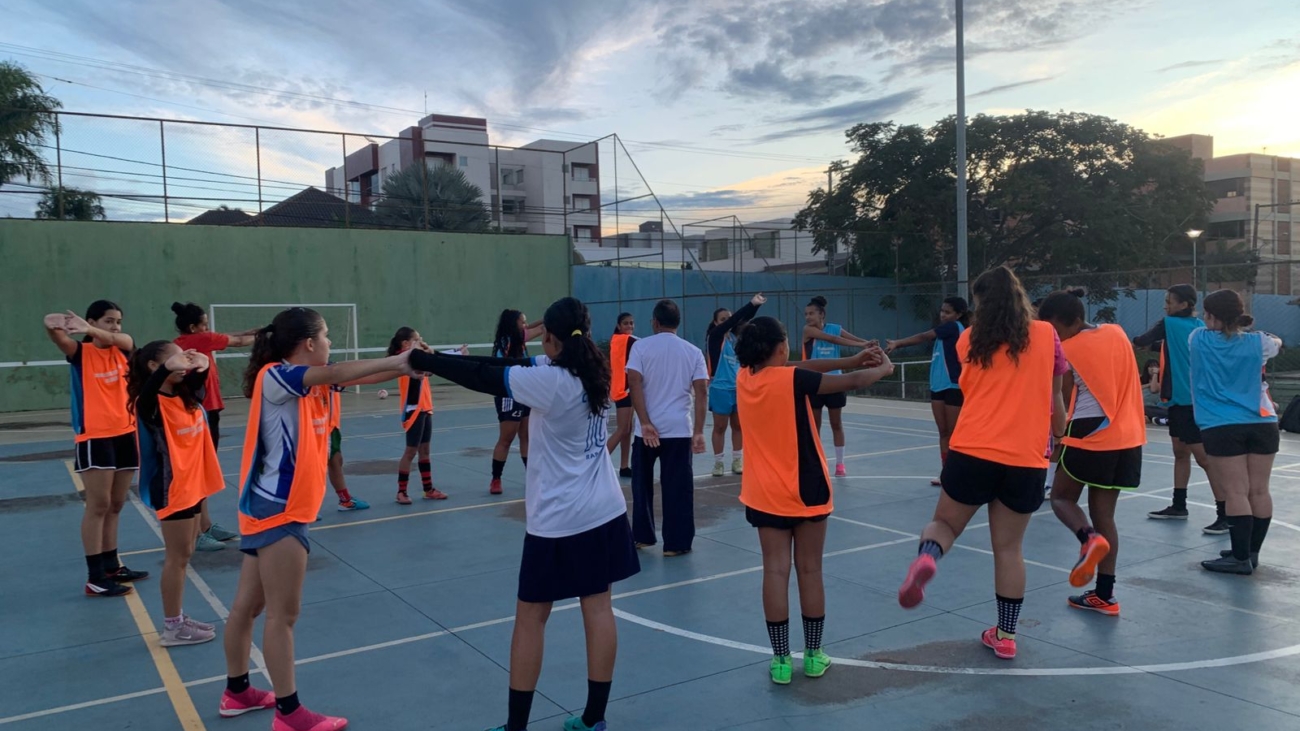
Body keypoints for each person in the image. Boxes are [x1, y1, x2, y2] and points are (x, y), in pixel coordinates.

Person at [404, 297, 638, 731]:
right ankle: (594, 719)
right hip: (603, 509)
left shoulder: (551, 380)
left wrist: (420, 359)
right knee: (599, 608)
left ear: (549, 338)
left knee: (531, 617)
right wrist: (433, 359)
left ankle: (516, 727)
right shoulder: (594, 369)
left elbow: (483, 376)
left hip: (559, 520)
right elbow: (500, 363)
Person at [220, 307, 414, 729]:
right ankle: (289, 714)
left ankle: (237, 691)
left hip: (267, 507)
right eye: (325, 337)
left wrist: (407, 369)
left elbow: (356, 376)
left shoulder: (311, 384)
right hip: (279, 510)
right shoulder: (277, 376)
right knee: (281, 616)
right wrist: (400, 360)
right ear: (308, 343)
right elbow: (336, 371)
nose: (329, 345)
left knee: (247, 607)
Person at [897, 266, 1068, 661]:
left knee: (944, 524)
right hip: (1025, 457)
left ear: (979, 304)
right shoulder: (1046, 335)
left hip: (973, 448)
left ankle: (928, 557)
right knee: (1009, 548)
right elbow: (1055, 395)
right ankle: (1006, 635)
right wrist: (1059, 435)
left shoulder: (970, 341)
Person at [735, 317, 894, 684]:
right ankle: (812, 655)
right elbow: (849, 382)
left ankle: (779, 660)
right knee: (810, 570)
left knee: (774, 571)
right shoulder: (791, 380)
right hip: (805, 488)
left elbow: (803, 367)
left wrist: (853, 360)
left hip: (763, 492)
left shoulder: (748, 377)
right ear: (779, 348)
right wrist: (881, 368)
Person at [1038, 290, 1146, 616]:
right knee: (1105, 516)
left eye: (1054, 328)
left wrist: (1057, 440)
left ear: (1071, 322)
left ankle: (1087, 539)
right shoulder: (1116, 332)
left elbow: (1063, 401)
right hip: (1127, 435)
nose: (1053, 336)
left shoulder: (1065, 350)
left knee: (1060, 498)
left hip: (1090, 432)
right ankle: (1104, 594)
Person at [44, 302, 149, 598]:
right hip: (96, 438)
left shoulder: (123, 349)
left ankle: (112, 565)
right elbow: (59, 338)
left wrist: (93, 330)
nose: (115, 327)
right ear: (90, 321)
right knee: (98, 505)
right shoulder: (81, 353)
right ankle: (94, 577)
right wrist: (51, 324)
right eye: (108, 321)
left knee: (117, 504)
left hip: (126, 434)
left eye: (118, 321)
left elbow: (126, 340)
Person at [128, 342, 224, 646]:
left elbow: (199, 381)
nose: (183, 361)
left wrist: (202, 363)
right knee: (177, 557)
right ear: (156, 367)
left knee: (185, 554)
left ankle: (178, 618)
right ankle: (172, 627)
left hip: (193, 485)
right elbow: (147, 395)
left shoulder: (186, 396)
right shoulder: (151, 404)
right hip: (173, 488)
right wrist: (171, 367)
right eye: (175, 357)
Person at [1192, 291, 1283, 575]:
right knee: (1259, 490)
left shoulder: (1197, 340)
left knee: (1235, 491)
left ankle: (1240, 557)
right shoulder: (1261, 343)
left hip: (1221, 424)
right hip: (1263, 421)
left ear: (1211, 316)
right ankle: (1250, 552)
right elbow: (1276, 342)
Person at [1134, 285, 1226, 533]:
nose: (1165, 305)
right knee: (1180, 452)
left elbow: (1142, 340)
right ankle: (1179, 505)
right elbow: (1168, 347)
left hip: (1188, 402)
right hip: (1182, 401)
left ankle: (1226, 512)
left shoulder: (1169, 323)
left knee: (1205, 459)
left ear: (1184, 304)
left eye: (1169, 301)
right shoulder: (1198, 327)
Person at [172, 302, 257, 551]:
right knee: (198, 473)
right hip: (203, 412)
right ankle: (196, 533)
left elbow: (236, 335)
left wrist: (260, 331)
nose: (208, 329)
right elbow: (239, 342)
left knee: (203, 472)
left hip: (202, 411)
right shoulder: (201, 340)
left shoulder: (186, 340)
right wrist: (267, 339)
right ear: (193, 327)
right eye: (205, 324)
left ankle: (205, 525)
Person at [628, 299, 709, 556]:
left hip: (646, 432)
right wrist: (698, 431)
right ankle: (676, 543)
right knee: (678, 489)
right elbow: (701, 392)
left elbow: (634, 384)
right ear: (678, 322)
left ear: (654, 321)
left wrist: (645, 422)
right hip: (679, 430)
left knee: (641, 485)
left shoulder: (640, 347)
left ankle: (642, 536)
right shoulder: (693, 351)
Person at [886, 296, 970, 486]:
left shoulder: (953, 327)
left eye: (947, 312)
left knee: (954, 433)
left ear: (958, 314)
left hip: (953, 386)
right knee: (943, 432)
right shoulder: (945, 333)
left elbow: (924, 336)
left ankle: (960, 471)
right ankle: (946, 472)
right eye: (942, 311)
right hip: (938, 386)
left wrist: (898, 343)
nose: (943, 315)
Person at [802, 296, 872, 476]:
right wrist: (861, 345)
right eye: (806, 314)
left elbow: (850, 337)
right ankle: (815, 459)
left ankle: (840, 464)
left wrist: (867, 343)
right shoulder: (808, 330)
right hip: (815, 382)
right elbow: (833, 339)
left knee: (836, 423)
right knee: (814, 425)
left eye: (811, 313)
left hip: (835, 383)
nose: (808, 317)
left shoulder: (836, 327)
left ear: (821, 314)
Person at [706, 294, 766, 476]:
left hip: (739, 388)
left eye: (729, 318)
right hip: (720, 388)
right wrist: (750, 303)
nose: (729, 322)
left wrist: (756, 306)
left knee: (738, 426)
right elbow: (735, 319)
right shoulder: (715, 337)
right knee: (719, 427)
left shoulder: (733, 337)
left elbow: (743, 319)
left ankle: (737, 459)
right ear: (716, 323)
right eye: (723, 319)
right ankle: (718, 462)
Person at [387, 327, 448, 504]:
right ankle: (401, 492)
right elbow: (425, 370)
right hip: (413, 410)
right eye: (417, 339)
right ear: (406, 343)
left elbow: (431, 368)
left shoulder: (417, 357)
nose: (421, 341)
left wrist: (458, 355)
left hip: (425, 408)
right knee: (410, 451)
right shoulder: (404, 360)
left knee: (425, 450)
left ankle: (428, 489)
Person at [489, 309, 545, 495]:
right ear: (513, 323)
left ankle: (531, 476)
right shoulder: (507, 340)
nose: (525, 325)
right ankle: (496, 479)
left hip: (524, 390)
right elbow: (538, 328)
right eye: (522, 321)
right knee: (506, 438)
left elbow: (542, 327)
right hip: (508, 393)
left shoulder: (519, 338)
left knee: (526, 436)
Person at [607, 313, 637, 479]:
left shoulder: (624, 340)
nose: (629, 326)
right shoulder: (623, 339)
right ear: (619, 326)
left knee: (628, 430)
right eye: (626, 323)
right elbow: (644, 344)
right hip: (622, 390)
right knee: (622, 429)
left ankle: (624, 466)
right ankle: (597, 462)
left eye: (632, 323)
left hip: (627, 389)